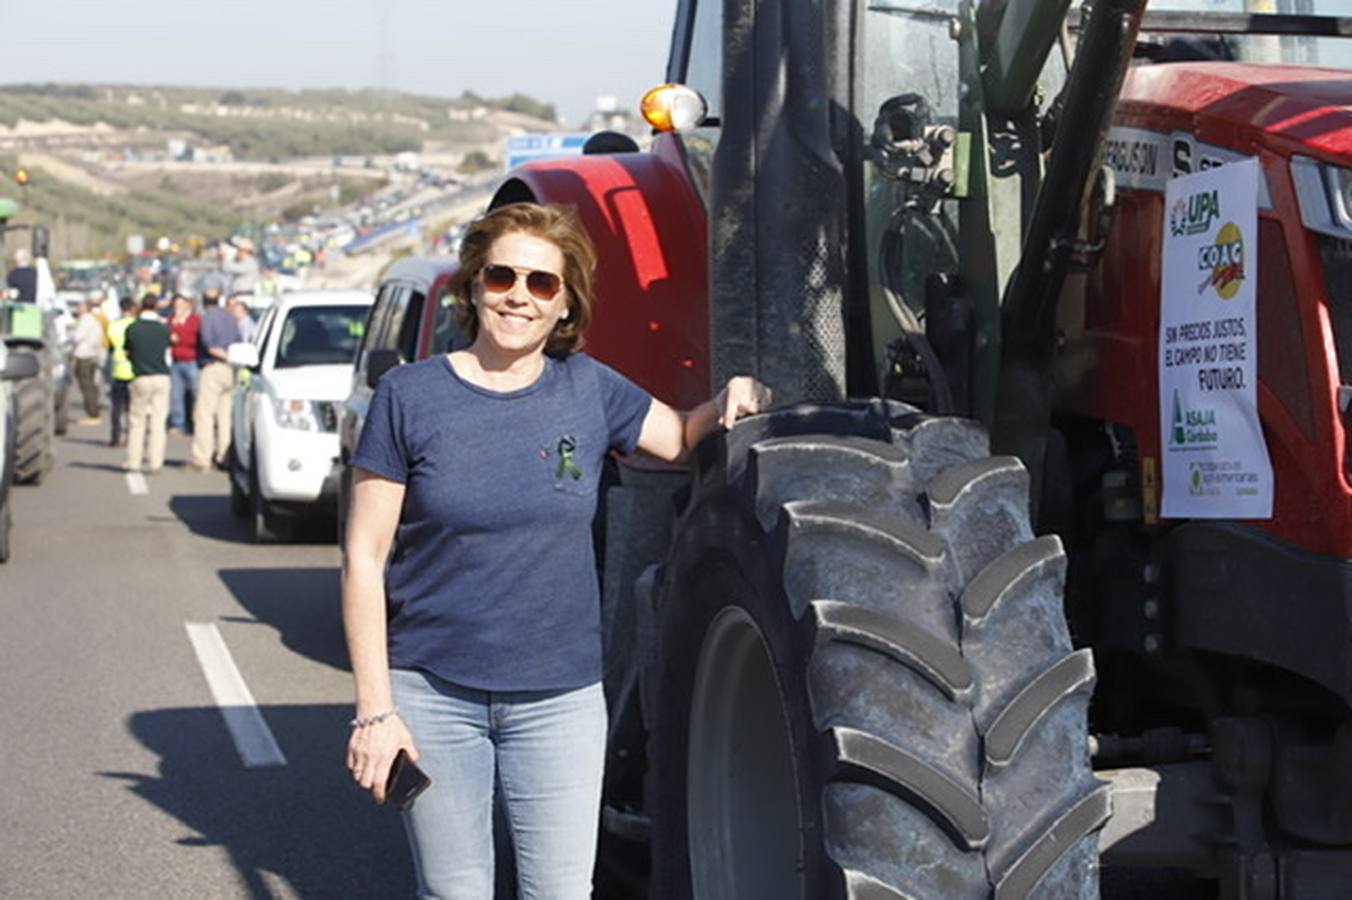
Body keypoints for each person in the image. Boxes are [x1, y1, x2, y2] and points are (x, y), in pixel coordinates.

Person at [343, 202, 770, 898]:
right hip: (433, 695)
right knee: (455, 894)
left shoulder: (590, 389)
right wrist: (375, 712)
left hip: (559, 703)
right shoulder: (409, 396)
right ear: (474, 284)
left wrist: (730, 397)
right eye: (502, 275)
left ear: (566, 302)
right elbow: (364, 559)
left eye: (542, 283)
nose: (519, 295)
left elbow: (684, 435)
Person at [123, 296, 171, 474]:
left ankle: (133, 462)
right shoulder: (163, 329)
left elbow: (127, 351)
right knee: (158, 422)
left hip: (141, 375)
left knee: (137, 422)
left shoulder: (133, 328)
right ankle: (155, 462)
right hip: (161, 376)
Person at [190, 288, 235, 471]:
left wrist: (222, 355)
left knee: (204, 414)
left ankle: (202, 457)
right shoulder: (230, 318)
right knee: (225, 415)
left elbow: (209, 343)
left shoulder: (208, 318)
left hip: (213, 367)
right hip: (231, 370)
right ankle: (224, 454)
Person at [105, 297, 137, 448]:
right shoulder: (135, 325)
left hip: (118, 368)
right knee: (132, 408)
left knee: (116, 408)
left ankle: (115, 437)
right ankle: (132, 437)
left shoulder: (114, 325)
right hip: (134, 369)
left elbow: (111, 345)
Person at [167, 294, 201, 433]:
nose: (178, 308)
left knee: (196, 394)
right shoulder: (170, 320)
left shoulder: (195, 320)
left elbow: (192, 338)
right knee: (176, 395)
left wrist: (179, 332)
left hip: (192, 361)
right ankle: (178, 423)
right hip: (176, 362)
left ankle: (196, 422)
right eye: (175, 305)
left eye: (180, 304)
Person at [71, 299, 106, 424]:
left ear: (86, 308)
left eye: (80, 306)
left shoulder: (84, 320)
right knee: (91, 385)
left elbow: (77, 337)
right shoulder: (95, 321)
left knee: (86, 386)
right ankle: (93, 411)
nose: (78, 308)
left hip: (83, 356)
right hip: (92, 355)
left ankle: (92, 413)